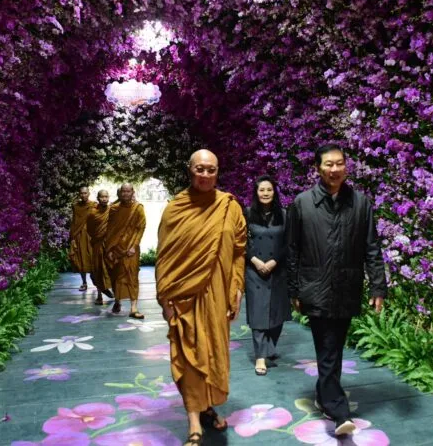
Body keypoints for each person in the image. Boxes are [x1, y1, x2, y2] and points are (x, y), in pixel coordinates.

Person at [286, 143, 388, 437]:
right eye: (328, 164)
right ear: (317, 168)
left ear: (346, 166)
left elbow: (371, 247)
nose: (334, 169)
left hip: (346, 286)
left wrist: (378, 286)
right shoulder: (302, 203)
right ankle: (338, 409)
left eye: (339, 163)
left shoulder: (361, 203)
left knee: (333, 346)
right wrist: (293, 289)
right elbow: (292, 250)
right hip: (314, 285)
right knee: (327, 346)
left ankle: (323, 394)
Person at [155, 149, 246, 446]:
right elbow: (164, 256)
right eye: (200, 169)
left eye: (211, 170)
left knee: (212, 354)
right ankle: (194, 420)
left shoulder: (230, 207)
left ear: (217, 172)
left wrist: (236, 289)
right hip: (183, 297)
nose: (205, 175)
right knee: (189, 355)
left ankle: (206, 407)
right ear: (189, 170)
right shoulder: (175, 209)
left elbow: (239, 252)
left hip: (218, 294)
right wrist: (165, 298)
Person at [244, 175, 291, 376]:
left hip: (277, 270)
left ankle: (269, 349)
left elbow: (289, 243)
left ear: (274, 192)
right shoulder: (247, 213)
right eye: (261, 189)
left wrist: (274, 261)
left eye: (269, 189)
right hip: (254, 271)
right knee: (258, 314)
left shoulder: (284, 215)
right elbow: (239, 241)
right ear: (256, 192)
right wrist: (254, 260)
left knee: (277, 315)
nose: (265, 193)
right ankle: (260, 357)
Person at [106, 183, 147, 317]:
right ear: (119, 193)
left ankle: (133, 308)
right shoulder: (114, 209)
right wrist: (110, 249)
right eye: (123, 191)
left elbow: (140, 228)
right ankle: (117, 301)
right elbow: (110, 230)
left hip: (131, 249)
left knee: (132, 276)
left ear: (132, 192)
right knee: (116, 276)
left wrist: (134, 246)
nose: (125, 194)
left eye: (128, 191)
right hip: (116, 248)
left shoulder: (138, 208)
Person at [86, 189, 115, 305]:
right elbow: (89, 229)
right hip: (98, 244)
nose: (104, 199)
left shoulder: (112, 210)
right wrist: (98, 237)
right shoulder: (93, 213)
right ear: (98, 198)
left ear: (109, 197)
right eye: (102, 197)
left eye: (106, 197)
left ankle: (112, 291)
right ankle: (99, 295)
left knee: (110, 268)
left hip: (109, 244)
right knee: (98, 269)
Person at [68, 186, 95, 291]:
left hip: (90, 234)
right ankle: (84, 282)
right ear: (79, 194)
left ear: (89, 193)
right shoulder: (75, 206)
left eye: (85, 193)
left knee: (91, 257)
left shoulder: (94, 205)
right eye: (81, 193)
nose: (83, 195)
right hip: (79, 234)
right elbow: (74, 221)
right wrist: (72, 237)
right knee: (81, 258)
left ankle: (95, 280)